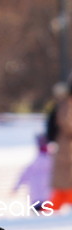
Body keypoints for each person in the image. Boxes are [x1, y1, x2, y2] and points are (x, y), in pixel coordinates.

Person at [47, 83, 71, 212]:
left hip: (66, 149)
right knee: (64, 187)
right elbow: (66, 123)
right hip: (67, 150)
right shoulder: (67, 104)